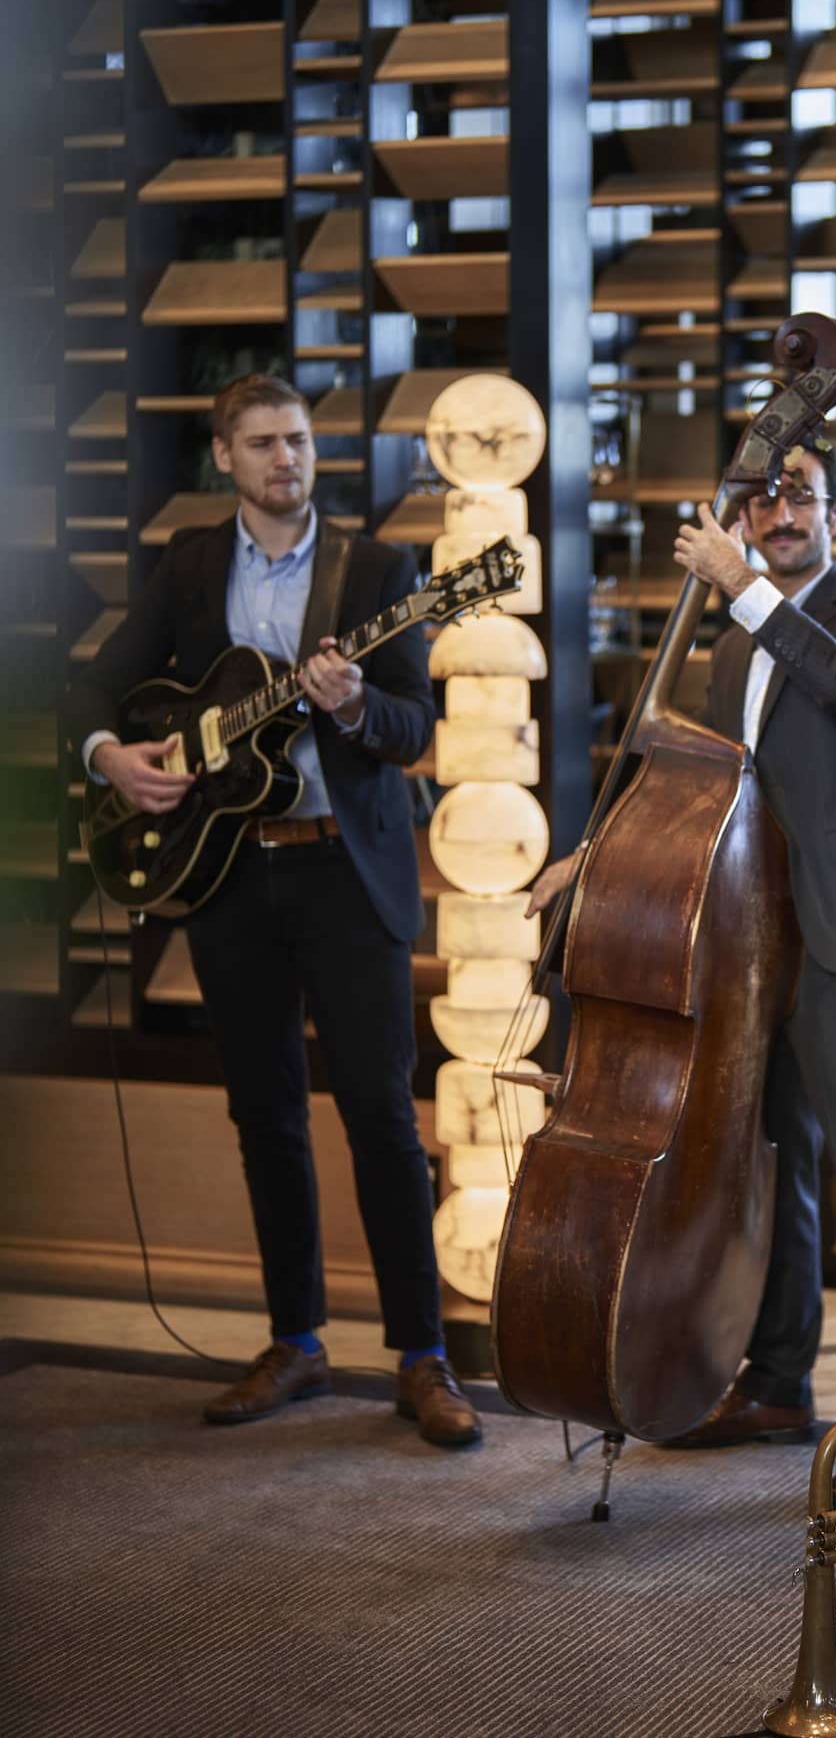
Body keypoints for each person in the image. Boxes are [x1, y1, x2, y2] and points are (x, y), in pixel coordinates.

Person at [68, 374, 480, 1449]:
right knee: (265, 1116)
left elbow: (412, 728)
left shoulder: (376, 571)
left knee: (382, 1117)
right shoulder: (190, 564)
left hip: (346, 871)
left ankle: (421, 1356)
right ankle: (294, 1341)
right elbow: (97, 686)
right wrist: (111, 758)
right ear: (225, 457)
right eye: (261, 443)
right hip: (227, 879)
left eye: (297, 440)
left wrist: (356, 702)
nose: (285, 458)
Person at [529, 439, 836, 1496]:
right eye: (762, 499)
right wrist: (595, 855)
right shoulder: (726, 649)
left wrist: (740, 586)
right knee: (773, 1168)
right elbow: (700, 791)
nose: (778, 512)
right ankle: (778, 1381)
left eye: (800, 495)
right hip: (749, 949)